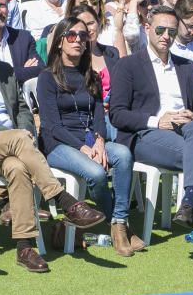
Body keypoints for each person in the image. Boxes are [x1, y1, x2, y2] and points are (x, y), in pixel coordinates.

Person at [0, 14, 106, 273]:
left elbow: (24, 111)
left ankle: (25, 246)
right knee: (17, 140)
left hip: (14, 148)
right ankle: (64, 200)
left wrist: (24, 131)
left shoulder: (4, 71)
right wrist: (16, 135)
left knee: (17, 167)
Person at [109, 4, 193, 257]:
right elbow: (117, 114)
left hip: (186, 132)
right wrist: (158, 120)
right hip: (144, 134)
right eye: (161, 30)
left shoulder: (187, 67)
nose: (166, 35)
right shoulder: (128, 65)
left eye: (172, 31)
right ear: (147, 29)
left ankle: (189, 199)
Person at [37, 17, 137, 256]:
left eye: (83, 36)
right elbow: (52, 126)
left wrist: (100, 141)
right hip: (58, 144)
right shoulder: (47, 77)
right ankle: (118, 223)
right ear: (60, 41)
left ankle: (119, 223)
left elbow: (99, 116)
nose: (79, 40)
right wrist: (84, 148)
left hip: (90, 140)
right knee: (96, 173)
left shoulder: (90, 75)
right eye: (72, 35)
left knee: (123, 154)